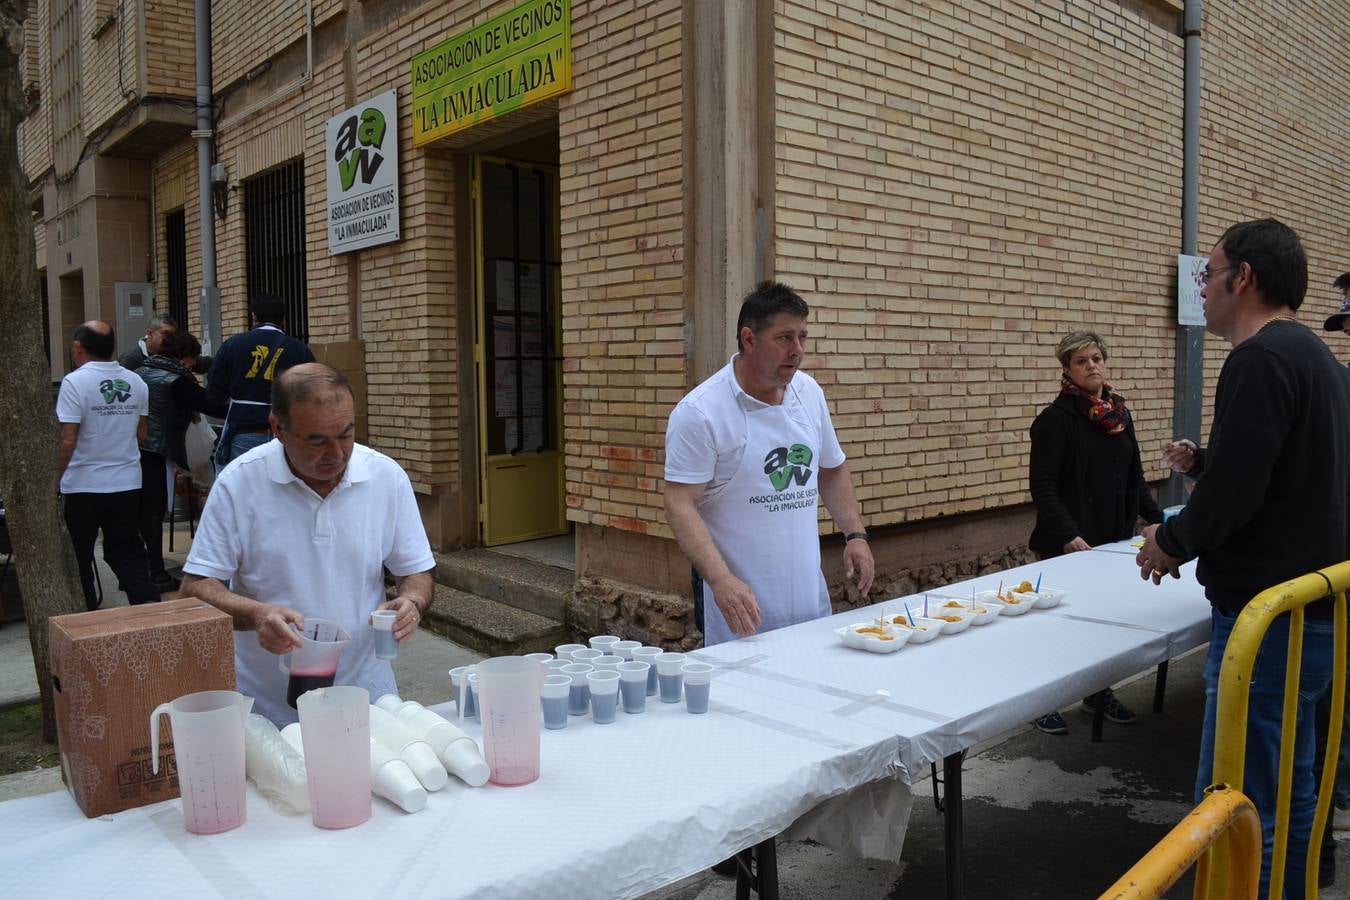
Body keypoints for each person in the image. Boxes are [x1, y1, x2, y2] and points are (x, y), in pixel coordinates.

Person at [1138, 219, 1350, 900]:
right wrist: (1207, 466)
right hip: (1312, 617)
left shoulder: (1258, 359)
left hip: (1270, 627)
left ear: (1245, 277)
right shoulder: (1319, 361)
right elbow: (1281, 474)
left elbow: (1236, 492)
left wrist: (1168, 542)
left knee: (1241, 800)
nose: (1202, 286)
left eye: (1210, 272)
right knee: (1292, 789)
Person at [180, 363, 434, 725]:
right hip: (266, 707)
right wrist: (256, 615)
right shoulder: (240, 484)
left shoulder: (385, 477)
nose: (336, 453)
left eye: (346, 434)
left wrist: (412, 601)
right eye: (316, 440)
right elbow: (195, 588)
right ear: (277, 428)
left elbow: (416, 570)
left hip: (367, 695)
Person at [663, 281, 874, 646]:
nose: (798, 351)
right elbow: (679, 502)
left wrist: (855, 534)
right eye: (785, 338)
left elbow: (832, 467)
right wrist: (720, 580)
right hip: (739, 611)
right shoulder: (701, 413)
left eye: (802, 337)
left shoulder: (809, 393)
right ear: (749, 339)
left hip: (809, 601)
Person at [1026, 330, 1163, 734]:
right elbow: (1043, 486)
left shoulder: (1118, 416)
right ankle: (1043, 701)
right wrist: (1068, 533)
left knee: (1104, 624)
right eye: (1082, 361)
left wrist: (1158, 523)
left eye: (1097, 358)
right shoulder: (1054, 421)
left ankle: (1097, 694)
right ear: (1067, 370)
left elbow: (1135, 477)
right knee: (1061, 627)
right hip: (1068, 545)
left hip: (1113, 541)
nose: (1092, 366)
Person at [57, 321, 160, 610]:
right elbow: (142, 433)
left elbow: (68, 439)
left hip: (83, 484)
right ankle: (148, 606)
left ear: (78, 348)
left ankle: (88, 611)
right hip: (126, 482)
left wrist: (56, 477)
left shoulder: (74, 382)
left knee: (80, 552)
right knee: (127, 549)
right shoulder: (136, 381)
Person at [134, 330, 225, 591]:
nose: (193, 366)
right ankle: (157, 573)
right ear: (184, 357)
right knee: (154, 512)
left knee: (143, 513)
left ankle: (143, 569)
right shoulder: (178, 380)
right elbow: (211, 405)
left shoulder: (140, 371)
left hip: (136, 449)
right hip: (158, 450)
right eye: (192, 360)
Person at [205, 293, 314, 470]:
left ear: (254, 316)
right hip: (287, 436)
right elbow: (312, 394)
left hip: (244, 434)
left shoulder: (233, 345)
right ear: (283, 319)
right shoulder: (299, 350)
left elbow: (215, 393)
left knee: (246, 490)